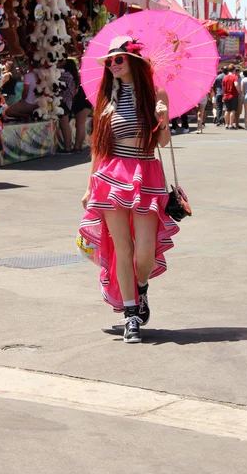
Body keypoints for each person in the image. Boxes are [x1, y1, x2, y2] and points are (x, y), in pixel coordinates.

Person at [78, 36, 179, 343]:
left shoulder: (156, 94)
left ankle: (141, 286)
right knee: (122, 247)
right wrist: (88, 185)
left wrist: (163, 118)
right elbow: (99, 145)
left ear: (133, 61)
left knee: (145, 250)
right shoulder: (105, 98)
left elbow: (163, 142)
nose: (112, 65)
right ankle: (131, 314)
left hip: (145, 172)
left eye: (118, 59)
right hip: (110, 175)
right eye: (109, 61)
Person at [58, 58, 79, 153]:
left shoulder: (64, 75)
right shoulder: (73, 76)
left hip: (63, 102)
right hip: (68, 102)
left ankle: (67, 147)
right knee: (65, 125)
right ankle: (68, 146)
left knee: (64, 125)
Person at [72, 83, 93, 153]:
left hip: (81, 104)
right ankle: (79, 146)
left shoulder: (80, 83)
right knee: (82, 124)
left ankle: (77, 146)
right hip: (88, 104)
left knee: (79, 124)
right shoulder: (88, 83)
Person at [222, 63, 239, 129]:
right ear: (234, 70)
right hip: (233, 95)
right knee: (232, 110)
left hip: (226, 95)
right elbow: (236, 84)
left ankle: (226, 124)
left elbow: (223, 88)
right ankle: (231, 124)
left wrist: (223, 95)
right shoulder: (235, 77)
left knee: (227, 110)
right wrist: (239, 91)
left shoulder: (225, 77)